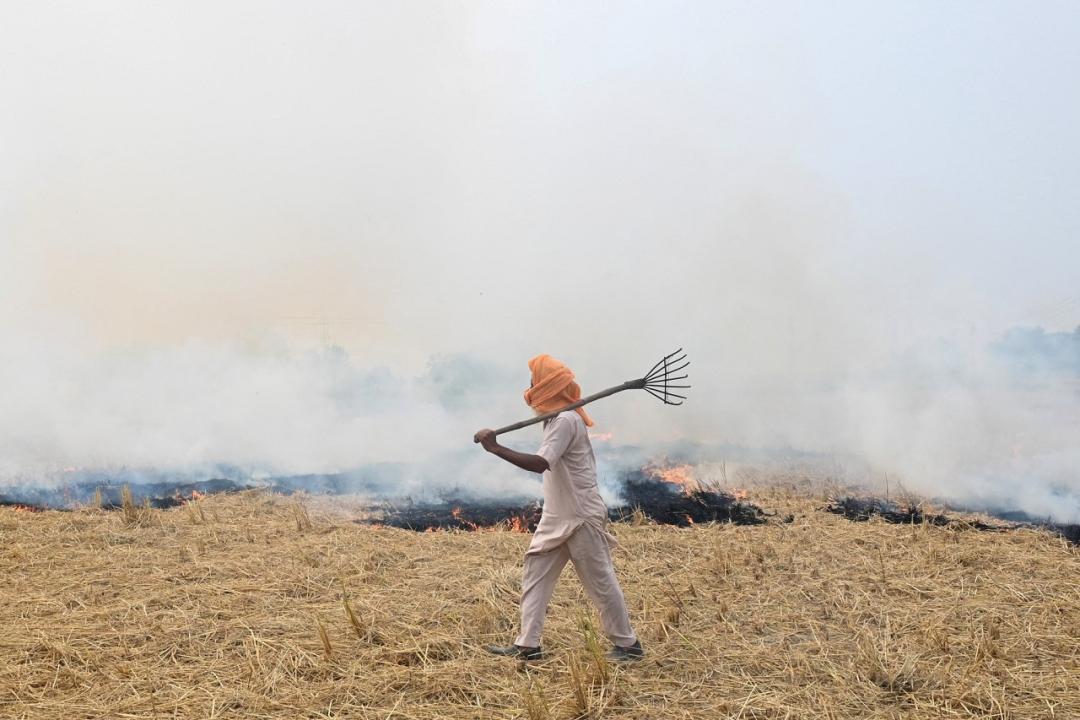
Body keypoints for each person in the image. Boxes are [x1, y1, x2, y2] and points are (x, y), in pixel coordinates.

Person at [473, 354, 643, 662]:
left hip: (580, 515)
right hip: (557, 514)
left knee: (600, 581)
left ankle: (628, 645)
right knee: (535, 571)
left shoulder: (565, 420)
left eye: (534, 382)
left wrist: (495, 447)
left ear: (547, 387)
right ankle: (528, 645)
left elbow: (541, 463)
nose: (530, 387)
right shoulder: (557, 418)